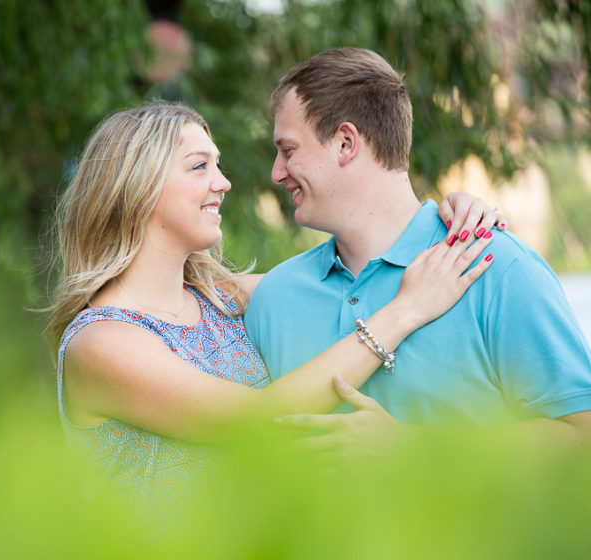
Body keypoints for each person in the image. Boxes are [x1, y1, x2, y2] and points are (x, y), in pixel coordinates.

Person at [46, 103, 501, 511]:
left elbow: (355, 283)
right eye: (199, 166)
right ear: (137, 185)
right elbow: (261, 420)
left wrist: (445, 220)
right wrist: (403, 313)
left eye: (218, 165)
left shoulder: (220, 298)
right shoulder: (100, 341)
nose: (223, 183)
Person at [244, 48, 591, 457]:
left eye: (288, 150)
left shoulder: (497, 267)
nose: (276, 173)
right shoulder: (273, 299)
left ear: (344, 143)